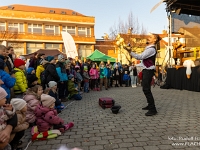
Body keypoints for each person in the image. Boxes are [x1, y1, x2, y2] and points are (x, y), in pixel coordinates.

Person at [127, 33, 161, 116]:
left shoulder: (151, 49)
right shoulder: (149, 49)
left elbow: (140, 57)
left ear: (155, 40)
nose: (148, 38)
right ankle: (150, 106)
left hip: (148, 71)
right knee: (146, 89)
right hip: (147, 70)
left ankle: (153, 109)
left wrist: (130, 52)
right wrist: (136, 66)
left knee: (146, 89)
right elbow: (144, 63)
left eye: (150, 37)